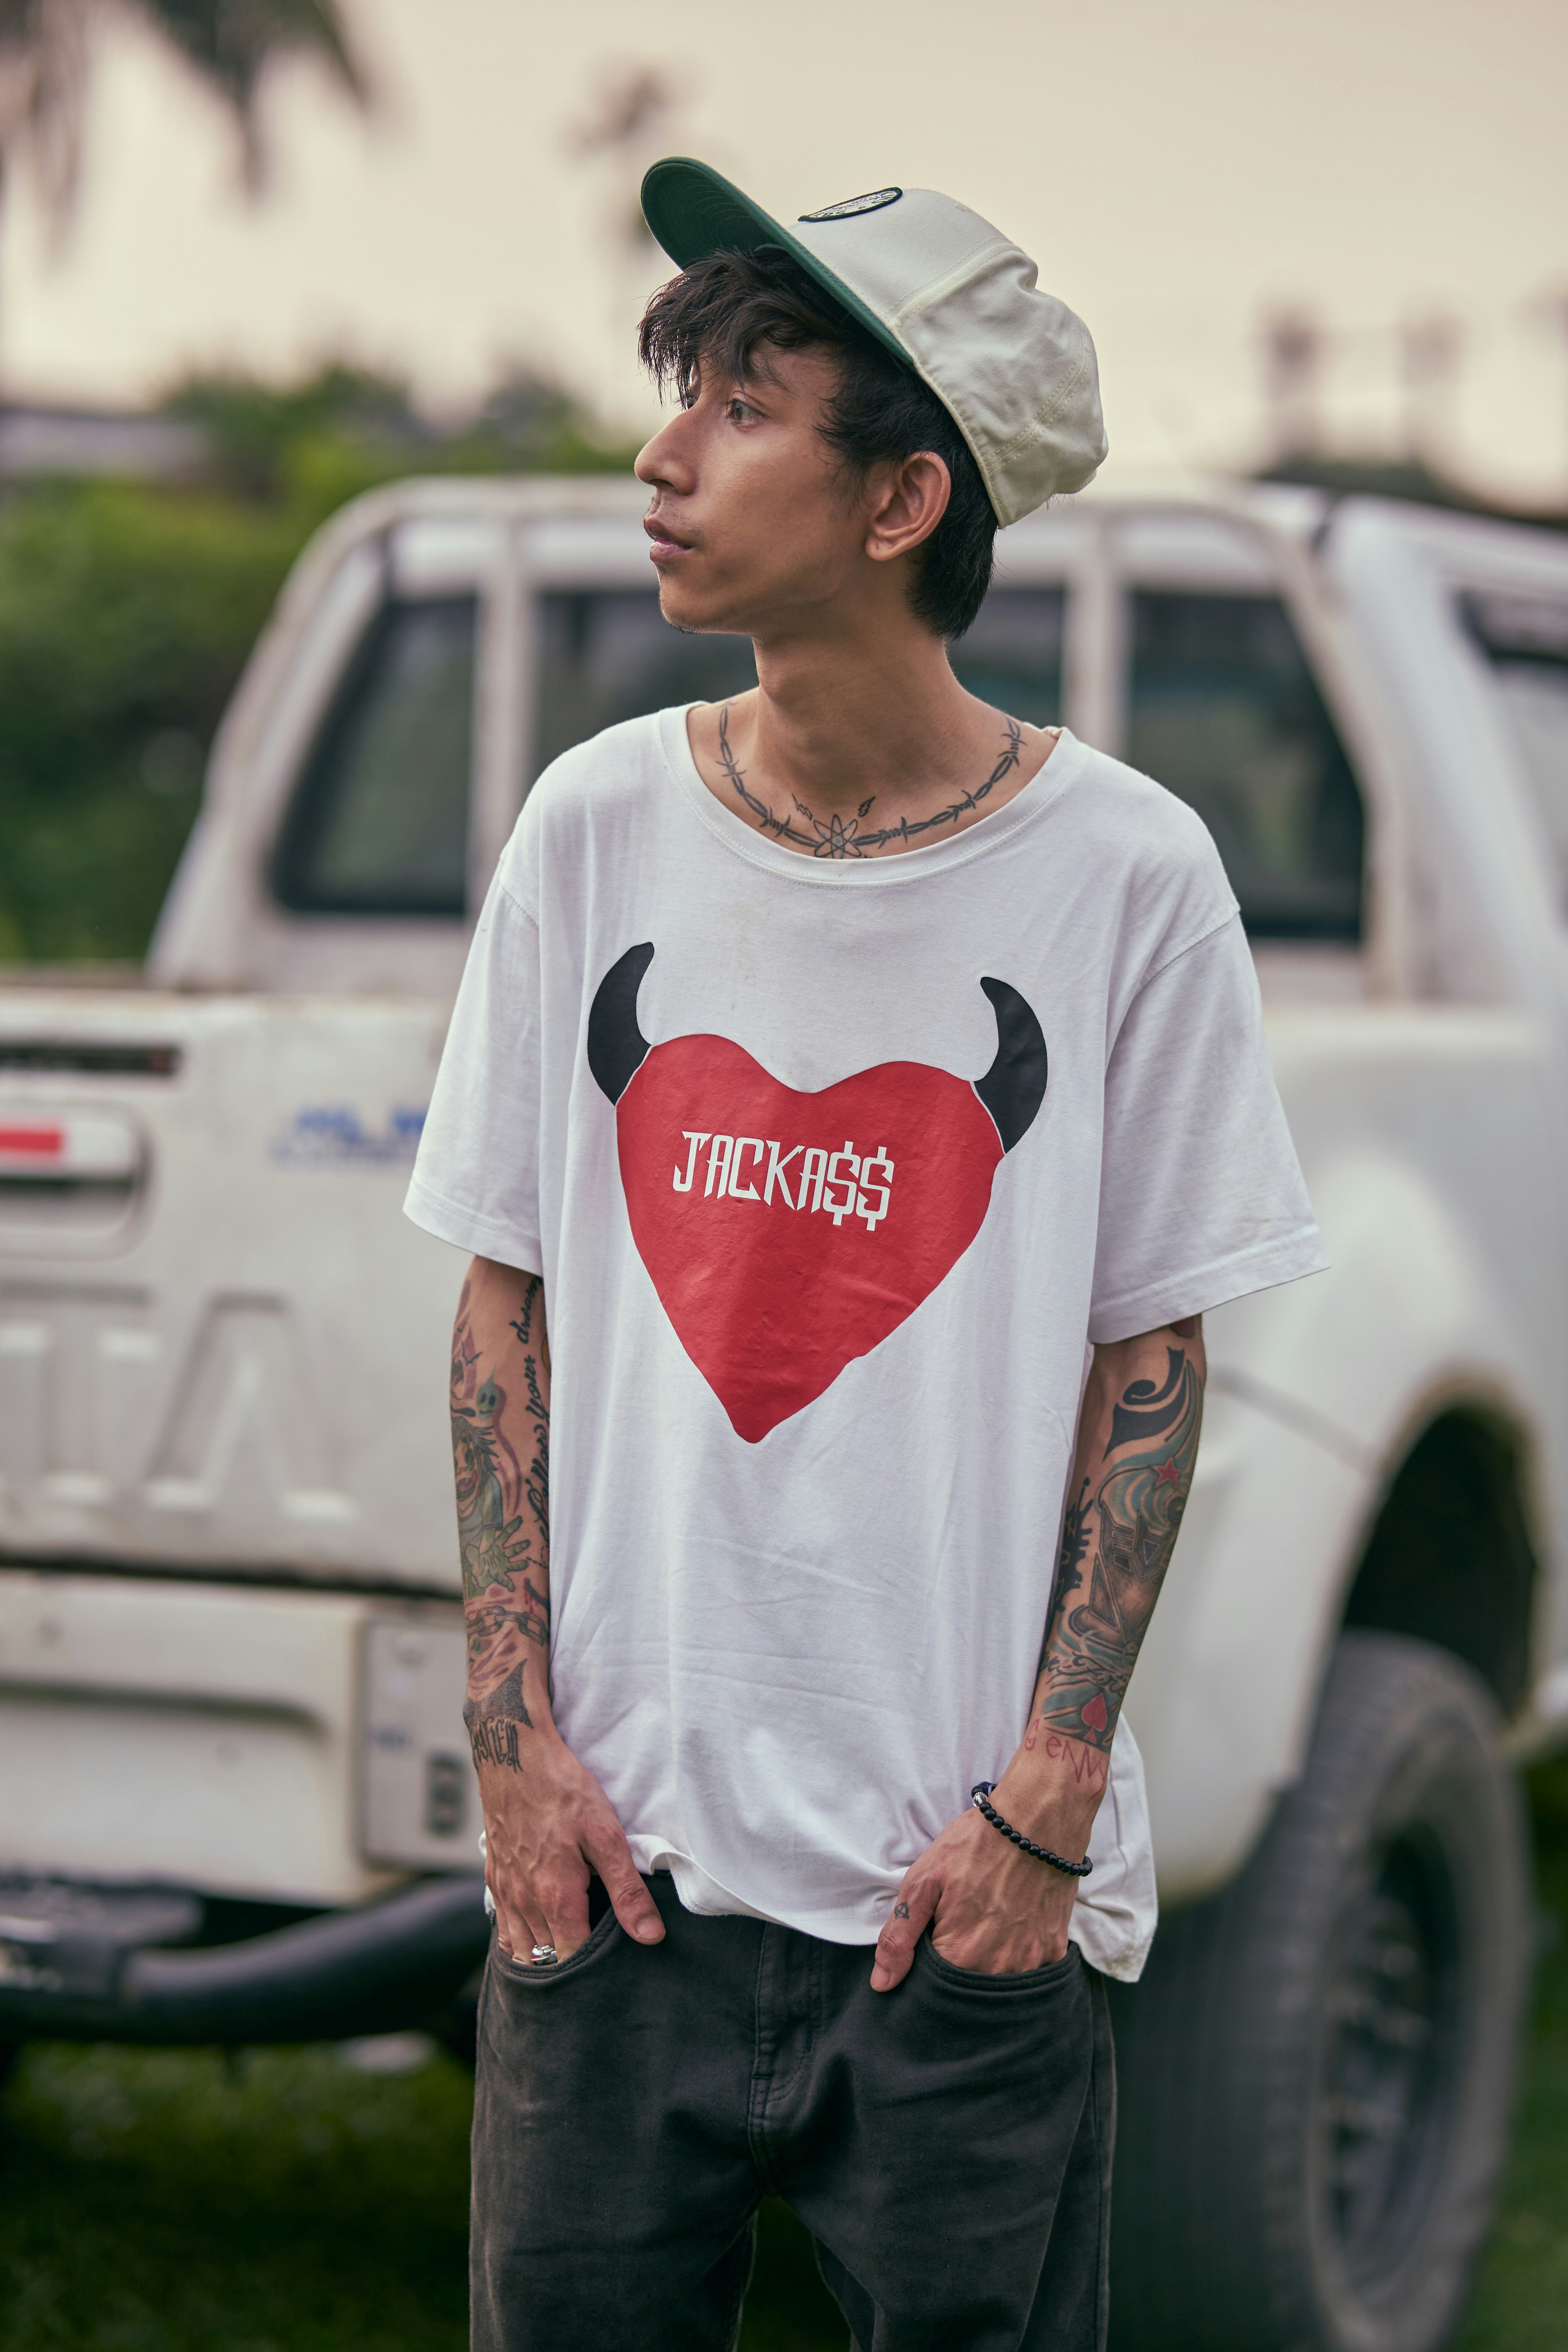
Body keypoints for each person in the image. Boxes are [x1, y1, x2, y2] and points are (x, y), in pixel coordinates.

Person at [405, 161, 1327, 2352]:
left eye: (738, 405)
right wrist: (516, 1745)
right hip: (614, 1886)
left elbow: (1149, 1353)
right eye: (677, 396)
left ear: (903, 497)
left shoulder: (1125, 877)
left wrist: (1047, 1797)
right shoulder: (593, 825)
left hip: (958, 1911)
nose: (661, 452)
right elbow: (502, 1296)